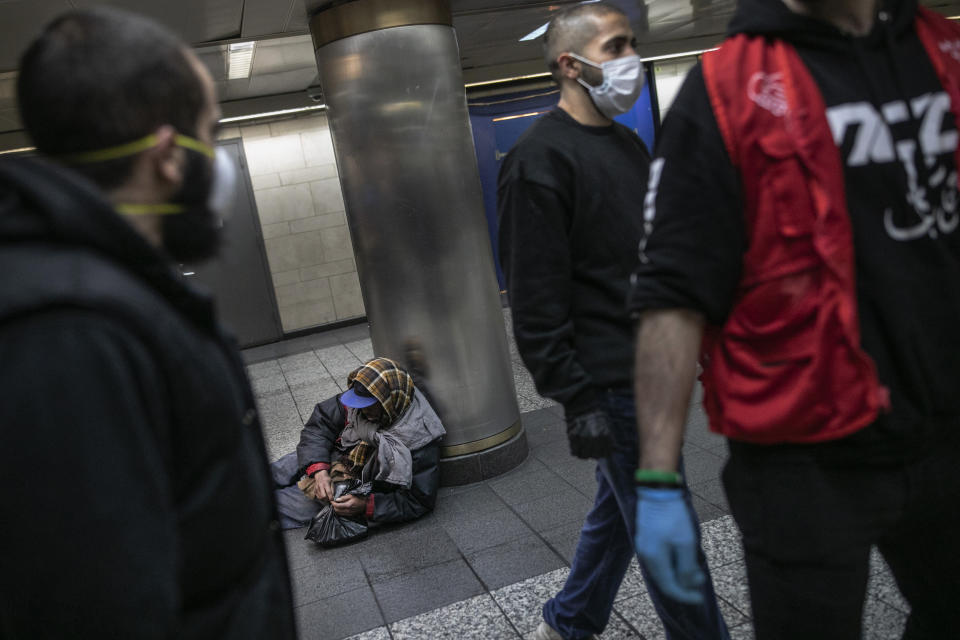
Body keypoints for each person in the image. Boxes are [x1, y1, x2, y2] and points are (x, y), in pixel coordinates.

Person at [629, 0, 960, 638]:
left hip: (947, 430)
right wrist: (657, 480)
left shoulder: (939, 51)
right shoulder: (727, 92)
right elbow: (673, 290)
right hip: (804, 459)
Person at [0, 8, 296, 638]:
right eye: (210, 132)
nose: (215, 159)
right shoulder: (71, 334)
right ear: (167, 156)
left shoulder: (105, 293)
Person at [497, 3, 729, 639]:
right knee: (667, 531)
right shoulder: (537, 161)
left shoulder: (625, 144)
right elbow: (535, 300)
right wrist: (576, 397)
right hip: (611, 382)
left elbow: (643, 250)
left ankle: (570, 619)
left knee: (619, 509)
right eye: (617, 47)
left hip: (653, 366)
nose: (632, 60)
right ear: (572, 65)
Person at [271, 357, 445, 531]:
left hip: (352, 483)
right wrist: (318, 470)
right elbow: (320, 425)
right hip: (331, 455)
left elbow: (419, 500)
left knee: (275, 507)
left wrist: (366, 506)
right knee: (274, 471)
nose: (362, 411)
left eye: (369, 405)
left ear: (388, 402)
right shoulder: (362, 397)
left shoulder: (419, 437)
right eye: (359, 404)